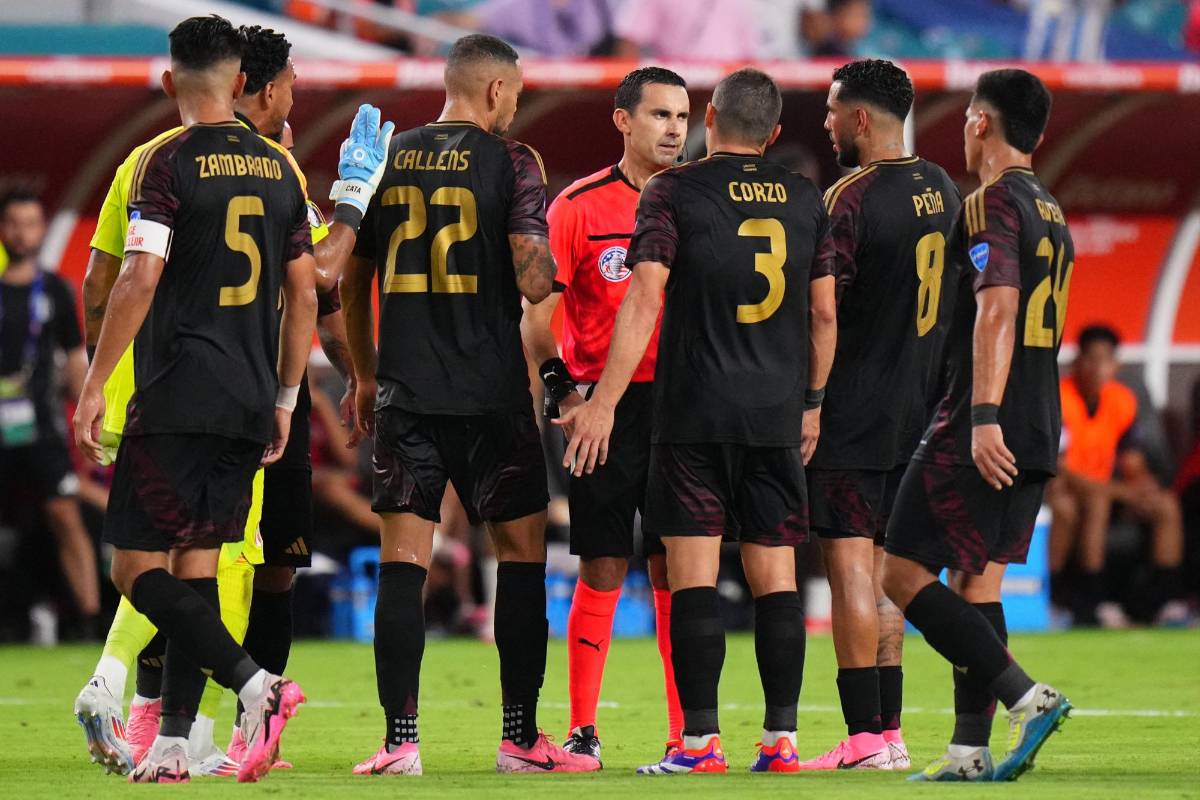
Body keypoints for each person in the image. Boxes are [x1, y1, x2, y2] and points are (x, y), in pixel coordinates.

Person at [71, 22, 388, 777]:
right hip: (251, 397)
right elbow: (308, 292)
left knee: (134, 569)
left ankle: (253, 685)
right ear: (245, 82)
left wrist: (93, 382)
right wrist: (286, 397)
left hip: (174, 390)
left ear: (168, 83)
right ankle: (173, 746)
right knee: (200, 570)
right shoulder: (281, 170)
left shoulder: (160, 160)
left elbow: (132, 275)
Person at [560, 67, 838, 775]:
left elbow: (644, 297)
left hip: (692, 411)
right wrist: (811, 403)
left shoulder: (674, 190)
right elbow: (824, 314)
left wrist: (602, 402)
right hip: (775, 415)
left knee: (690, 579)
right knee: (777, 578)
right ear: (776, 132)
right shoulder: (806, 196)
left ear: (709, 116)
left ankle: (699, 744)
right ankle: (780, 743)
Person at [342, 34, 597, 775]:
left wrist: (364, 375)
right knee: (520, 559)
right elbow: (533, 279)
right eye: (515, 93)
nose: (515, 105)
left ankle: (400, 743)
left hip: (406, 392)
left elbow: (353, 282)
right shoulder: (514, 162)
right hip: (491, 394)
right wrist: (557, 265)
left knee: (403, 564)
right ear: (494, 90)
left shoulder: (389, 156)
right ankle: (520, 738)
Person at [880, 68, 1074, 783]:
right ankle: (968, 753)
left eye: (967, 116)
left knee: (900, 570)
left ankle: (1027, 697)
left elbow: (998, 307)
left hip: (984, 420)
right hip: (1039, 419)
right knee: (977, 585)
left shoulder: (991, 201)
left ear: (981, 122)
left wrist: (983, 416)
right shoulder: (1051, 208)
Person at [519, 66, 689, 766]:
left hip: (683, 409)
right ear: (623, 120)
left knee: (679, 567)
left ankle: (687, 734)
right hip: (600, 410)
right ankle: (584, 728)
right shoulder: (578, 207)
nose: (674, 129)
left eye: (682, 116)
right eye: (659, 115)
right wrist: (565, 396)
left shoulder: (699, 199)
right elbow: (535, 319)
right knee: (604, 562)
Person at [798, 58, 960, 773]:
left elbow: (822, 310)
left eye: (833, 110)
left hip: (854, 411)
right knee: (890, 571)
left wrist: (809, 401)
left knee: (850, 571)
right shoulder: (942, 186)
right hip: (919, 412)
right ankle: (889, 733)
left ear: (860, 118)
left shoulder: (848, 198)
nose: (827, 121)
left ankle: (864, 736)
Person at [0, 189, 100, 633]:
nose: (22, 233)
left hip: (40, 427)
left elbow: (75, 357)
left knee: (64, 515)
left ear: (42, 229)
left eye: (31, 224)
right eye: (13, 224)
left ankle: (90, 618)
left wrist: (87, 412)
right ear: (2, 230)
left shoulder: (56, 289)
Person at [1047, 324, 1188, 627]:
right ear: (1077, 362)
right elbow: (1060, 468)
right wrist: (1117, 491)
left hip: (1108, 487)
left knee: (1165, 504)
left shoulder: (1122, 400)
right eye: (1091, 359)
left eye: (1105, 360)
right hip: (1067, 486)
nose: (1098, 368)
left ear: (1116, 365)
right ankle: (1092, 602)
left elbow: (1131, 459)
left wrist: (1143, 484)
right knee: (1095, 501)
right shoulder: (1059, 398)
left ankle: (1163, 602)